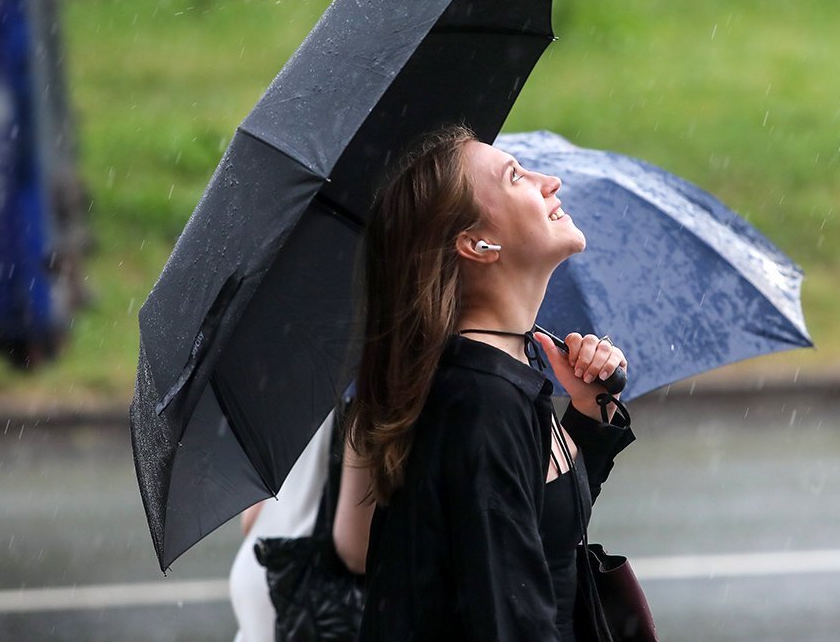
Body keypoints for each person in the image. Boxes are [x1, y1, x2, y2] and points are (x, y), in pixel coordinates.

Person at [340, 124, 635, 641]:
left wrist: (588, 414)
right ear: (478, 244)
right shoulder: (480, 402)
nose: (551, 181)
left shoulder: (497, 376)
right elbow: (507, 620)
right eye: (516, 176)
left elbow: (541, 531)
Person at [229, 409, 335, 642]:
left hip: (259, 570)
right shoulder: (358, 397)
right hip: (303, 599)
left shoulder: (287, 397)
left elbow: (250, 519)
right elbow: (354, 548)